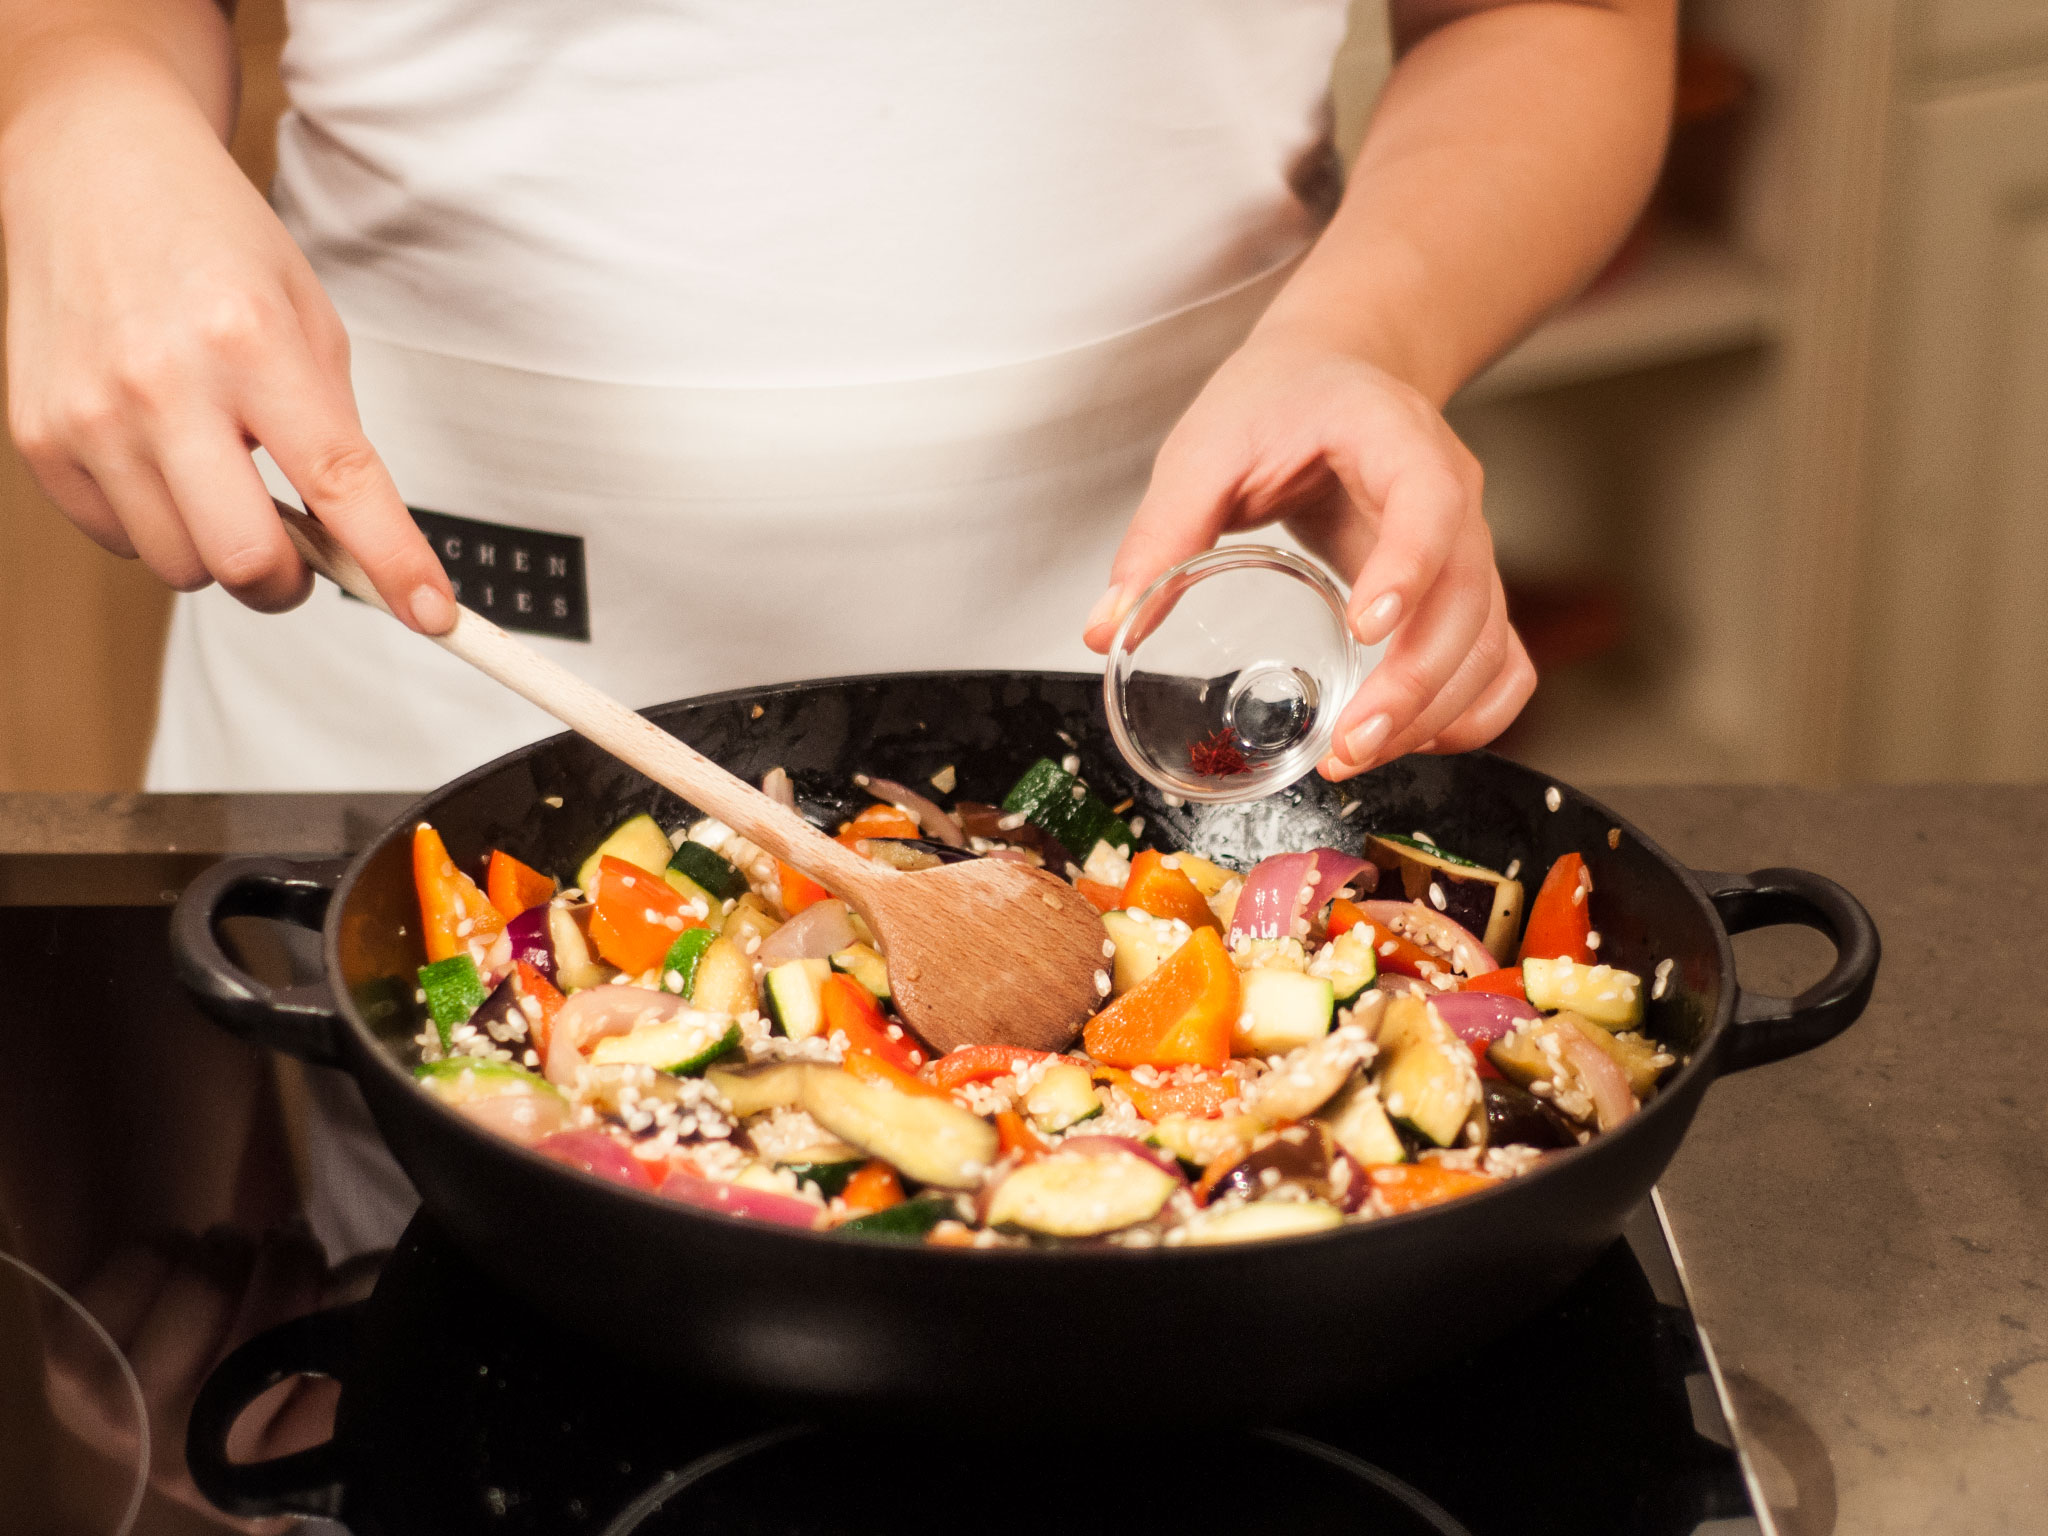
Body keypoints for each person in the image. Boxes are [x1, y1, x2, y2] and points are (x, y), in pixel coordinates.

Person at [2, 0, 1672, 1254]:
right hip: (418, 690)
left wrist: (1375, 339)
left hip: (1192, 652)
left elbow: (1560, 19)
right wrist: (78, 110)